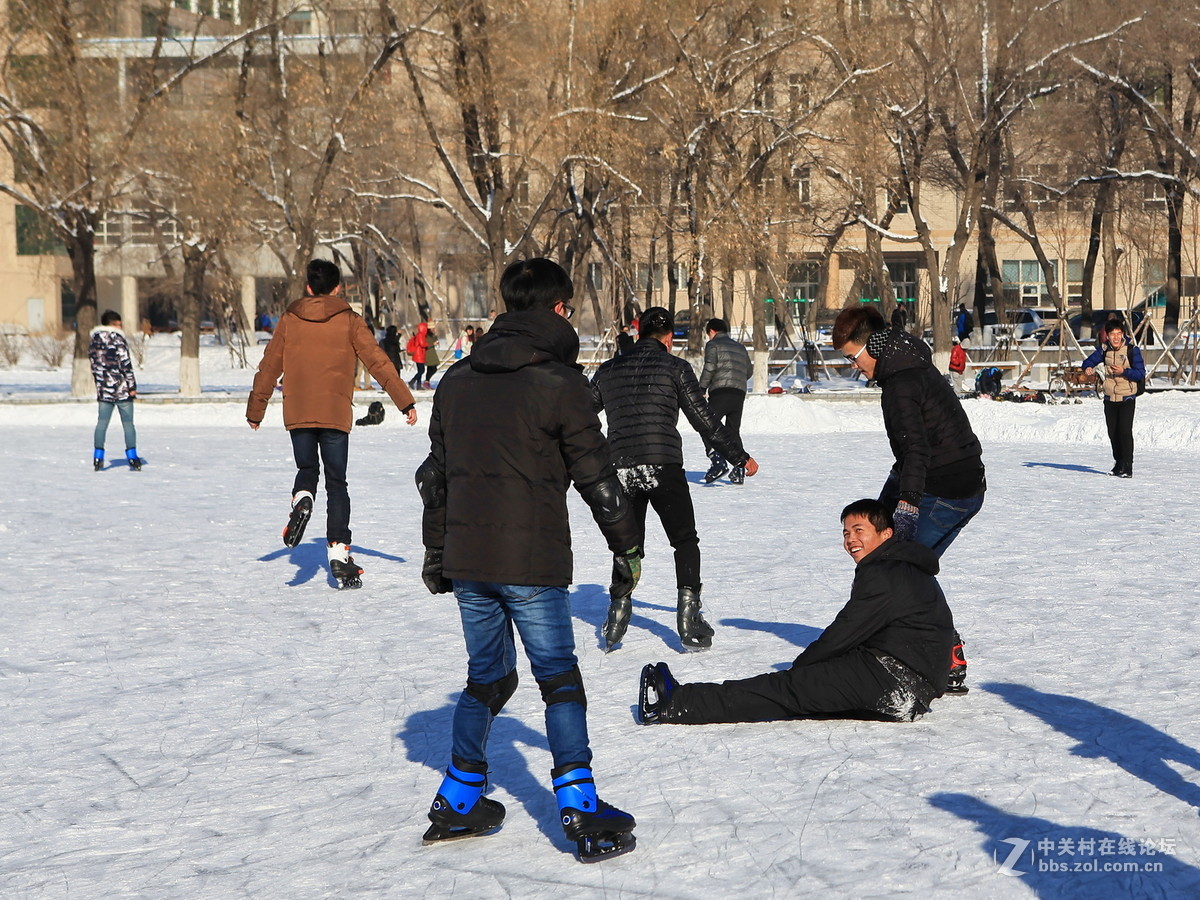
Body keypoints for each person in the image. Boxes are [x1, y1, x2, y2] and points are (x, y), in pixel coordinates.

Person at [416, 257, 640, 862]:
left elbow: (433, 478)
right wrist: (627, 546)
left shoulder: (457, 379)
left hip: (469, 560)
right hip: (532, 562)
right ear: (558, 309)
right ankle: (580, 804)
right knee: (558, 680)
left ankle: (460, 796)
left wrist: (439, 552)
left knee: (488, 678)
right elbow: (597, 476)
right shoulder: (561, 383)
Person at [638, 499, 955, 725]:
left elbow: (844, 632)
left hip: (895, 680)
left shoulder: (886, 573)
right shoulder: (903, 565)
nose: (850, 540)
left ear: (886, 534)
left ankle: (674, 703)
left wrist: (801, 670)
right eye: (846, 533)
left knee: (782, 689)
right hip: (907, 678)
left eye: (859, 530)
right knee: (805, 691)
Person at [832, 304, 984, 693]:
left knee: (897, 564)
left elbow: (917, 450)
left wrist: (907, 508)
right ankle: (909, 643)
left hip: (946, 487)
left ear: (871, 346)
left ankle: (938, 653)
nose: (855, 367)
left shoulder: (899, 384)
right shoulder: (904, 358)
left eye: (853, 357)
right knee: (900, 563)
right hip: (954, 478)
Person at [591, 306, 759, 652]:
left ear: (638, 333)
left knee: (628, 544)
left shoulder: (609, 370)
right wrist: (738, 457)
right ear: (668, 337)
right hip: (664, 465)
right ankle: (689, 615)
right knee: (684, 540)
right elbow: (705, 419)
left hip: (621, 467)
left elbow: (580, 411)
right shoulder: (675, 367)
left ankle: (619, 610)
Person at [246, 259, 418, 588]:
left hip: (298, 411)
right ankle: (339, 552)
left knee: (307, 469)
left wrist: (256, 409)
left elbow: (269, 365)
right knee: (337, 484)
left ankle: (302, 497)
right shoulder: (350, 320)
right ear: (338, 288)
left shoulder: (290, 319)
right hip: (336, 413)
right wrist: (403, 400)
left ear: (309, 287)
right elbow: (377, 360)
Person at [1082, 319, 1145, 477]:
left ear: (1123, 334)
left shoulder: (1132, 350)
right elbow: (1087, 361)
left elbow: (1140, 373)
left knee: (1124, 431)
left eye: (1118, 333)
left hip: (1127, 397)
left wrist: (1124, 371)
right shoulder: (1103, 350)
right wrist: (1088, 367)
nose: (1116, 337)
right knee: (1113, 432)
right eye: (1112, 334)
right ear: (1107, 336)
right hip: (1109, 397)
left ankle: (1128, 465)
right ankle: (1118, 463)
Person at [697, 317, 753, 484]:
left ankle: (717, 462)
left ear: (712, 331)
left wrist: (701, 389)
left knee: (705, 424)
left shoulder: (713, 345)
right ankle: (738, 469)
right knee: (733, 431)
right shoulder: (740, 347)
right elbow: (748, 371)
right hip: (739, 393)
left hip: (721, 392)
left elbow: (710, 368)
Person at [89, 310, 141, 471]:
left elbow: (94, 366)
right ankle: (132, 456)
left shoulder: (93, 341)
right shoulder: (118, 339)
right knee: (128, 424)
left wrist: (100, 384)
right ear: (112, 324)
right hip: (122, 389)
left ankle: (98, 456)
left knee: (101, 424)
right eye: (119, 324)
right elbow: (126, 364)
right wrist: (132, 386)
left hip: (104, 390)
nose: (121, 326)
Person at [406, 322, 430, 389]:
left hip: (418, 354)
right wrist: (427, 344)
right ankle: (412, 382)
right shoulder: (421, 335)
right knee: (421, 370)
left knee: (420, 370)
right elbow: (422, 344)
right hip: (419, 354)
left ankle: (418, 385)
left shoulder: (419, 334)